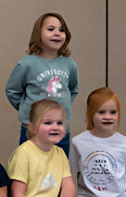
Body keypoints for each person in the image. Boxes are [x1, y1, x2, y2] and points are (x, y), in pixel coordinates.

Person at [5, 13, 79, 155]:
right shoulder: (27, 64)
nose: (57, 33)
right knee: (30, 163)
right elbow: (12, 91)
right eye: (51, 29)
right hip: (32, 128)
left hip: (60, 129)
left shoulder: (69, 64)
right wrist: (27, 109)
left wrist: (62, 107)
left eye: (61, 30)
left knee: (59, 163)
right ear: (38, 33)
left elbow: (73, 89)